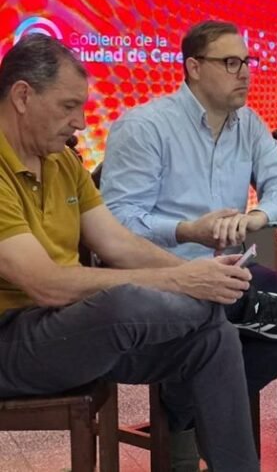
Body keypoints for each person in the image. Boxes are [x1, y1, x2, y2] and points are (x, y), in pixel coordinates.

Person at [0, 34, 260, 471]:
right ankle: (244, 307)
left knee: (215, 339)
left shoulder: (62, 162)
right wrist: (181, 279)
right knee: (124, 301)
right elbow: (46, 284)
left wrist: (202, 276)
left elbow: (118, 243)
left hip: (66, 332)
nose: (81, 123)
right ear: (23, 96)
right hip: (11, 340)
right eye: (68, 106)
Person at [99, 21, 277, 461]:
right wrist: (187, 230)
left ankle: (182, 408)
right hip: (160, 271)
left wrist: (256, 217)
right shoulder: (145, 126)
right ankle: (199, 405)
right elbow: (117, 222)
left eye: (247, 61)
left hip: (228, 268)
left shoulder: (248, 124)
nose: (244, 73)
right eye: (230, 62)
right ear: (193, 67)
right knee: (221, 325)